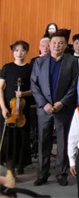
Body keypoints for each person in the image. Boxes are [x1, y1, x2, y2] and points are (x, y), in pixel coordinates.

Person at [31, 30, 79, 186]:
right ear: (49, 44)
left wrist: (63, 102)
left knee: (63, 141)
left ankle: (61, 173)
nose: (57, 46)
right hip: (44, 108)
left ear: (65, 45)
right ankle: (42, 173)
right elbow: (34, 85)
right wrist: (43, 103)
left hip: (63, 108)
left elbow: (74, 84)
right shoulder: (39, 62)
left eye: (60, 43)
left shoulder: (72, 61)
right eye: (54, 43)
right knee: (43, 141)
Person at [0, 41, 33, 180]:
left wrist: (24, 93)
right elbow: (0, 89)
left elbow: (35, 90)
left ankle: (20, 165)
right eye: (16, 50)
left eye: (22, 50)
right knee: (8, 140)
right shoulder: (7, 68)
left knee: (22, 139)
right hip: (8, 110)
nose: (19, 53)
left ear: (26, 52)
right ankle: (10, 169)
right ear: (13, 52)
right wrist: (3, 108)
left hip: (23, 111)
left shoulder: (30, 68)